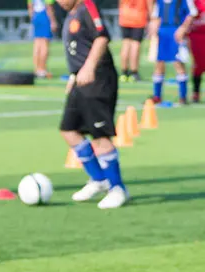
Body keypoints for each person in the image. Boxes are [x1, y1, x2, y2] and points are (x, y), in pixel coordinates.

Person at [57, 0, 128, 209]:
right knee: (69, 130)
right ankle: (99, 179)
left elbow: (102, 37)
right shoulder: (72, 13)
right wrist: (74, 75)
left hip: (98, 79)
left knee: (100, 137)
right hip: (80, 81)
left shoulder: (88, 6)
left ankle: (118, 189)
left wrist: (89, 67)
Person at [149, 0, 196, 104]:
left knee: (178, 63)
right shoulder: (159, 1)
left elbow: (191, 14)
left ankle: (182, 96)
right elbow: (156, 16)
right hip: (162, 33)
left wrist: (183, 28)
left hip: (176, 32)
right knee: (159, 64)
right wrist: (153, 28)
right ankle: (157, 96)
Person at [118, 0, 149, 81]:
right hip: (139, 18)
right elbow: (150, 3)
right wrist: (151, 18)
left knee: (126, 43)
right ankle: (134, 72)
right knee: (135, 44)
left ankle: (124, 73)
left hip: (124, 17)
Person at [29, 0, 58, 79]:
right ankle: (42, 70)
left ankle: (37, 69)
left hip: (35, 16)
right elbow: (49, 7)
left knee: (37, 44)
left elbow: (30, 7)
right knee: (44, 44)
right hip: (44, 16)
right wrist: (53, 21)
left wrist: (33, 19)